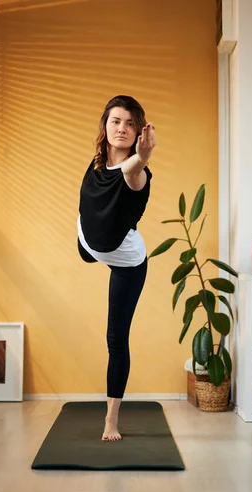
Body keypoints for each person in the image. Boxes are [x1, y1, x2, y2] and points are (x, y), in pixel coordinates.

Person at [77, 95, 156, 441]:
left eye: (129, 123)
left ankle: (111, 420)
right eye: (115, 121)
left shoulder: (136, 172)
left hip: (126, 258)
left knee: (115, 339)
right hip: (91, 242)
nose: (121, 128)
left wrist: (143, 155)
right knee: (87, 246)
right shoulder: (96, 163)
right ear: (105, 125)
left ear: (138, 131)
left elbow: (131, 170)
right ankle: (90, 248)